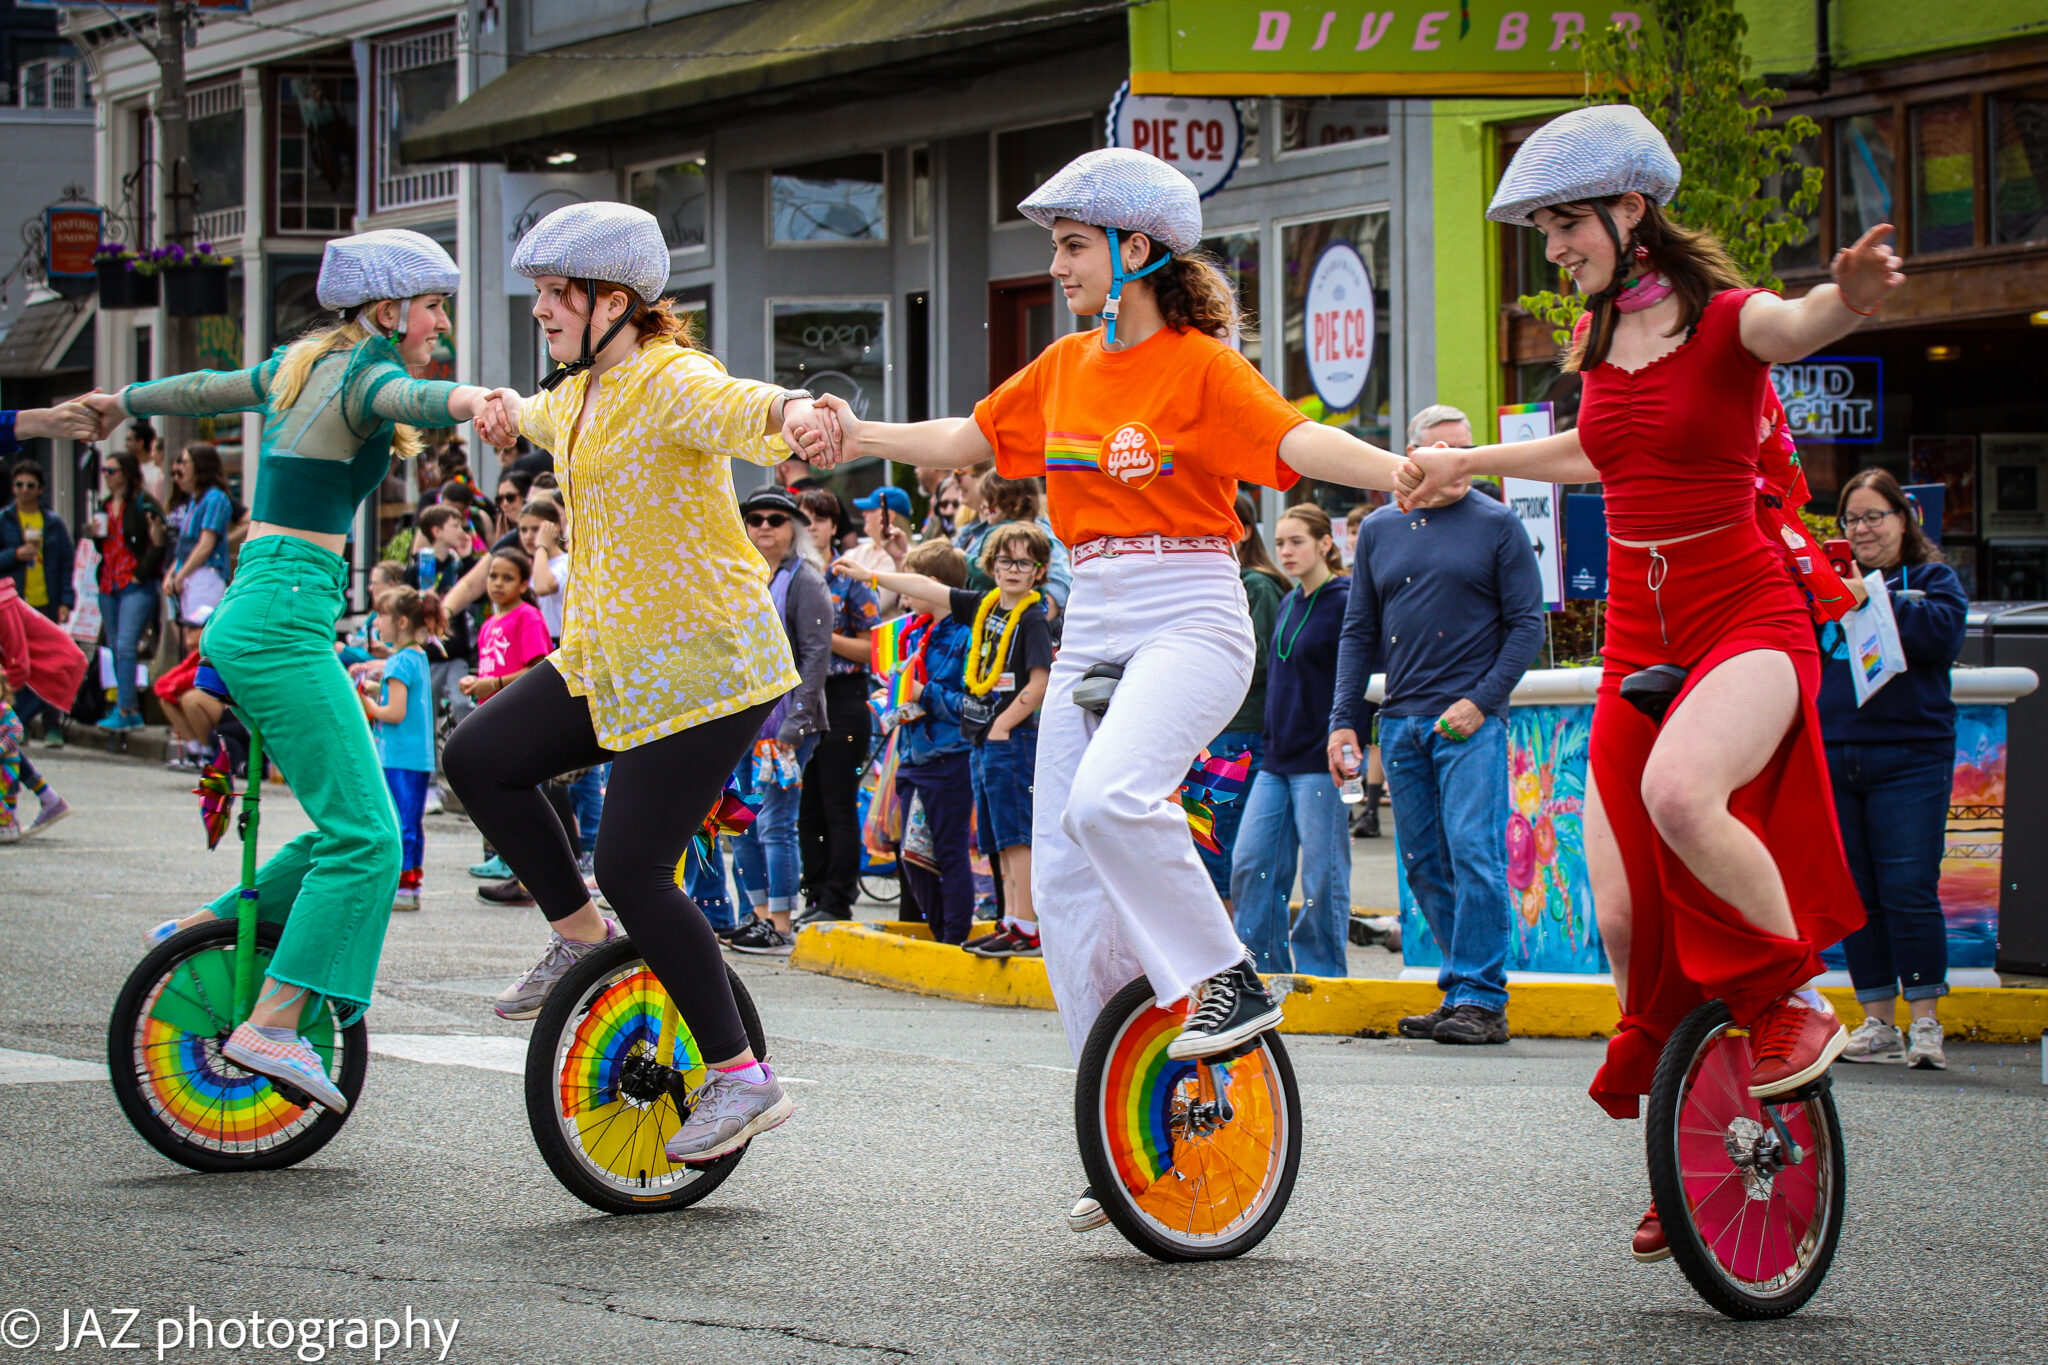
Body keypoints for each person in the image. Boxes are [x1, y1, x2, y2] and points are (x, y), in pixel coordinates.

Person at [804, 147, 1407, 1230]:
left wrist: (1394, 467)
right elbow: (967, 438)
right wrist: (856, 437)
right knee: (1071, 899)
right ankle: (1126, 1129)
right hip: (1099, 614)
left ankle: (1226, 976)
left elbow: (1291, 440)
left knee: (1107, 802)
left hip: (1190, 609)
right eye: (1054, 245)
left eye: (1074, 246)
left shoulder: (1200, 367)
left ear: (1136, 251)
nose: (1058, 264)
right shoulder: (1065, 364)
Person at [1400, 103, 1900, 1257]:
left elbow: (1795, 322)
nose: (1554, 246)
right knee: (1624, 919)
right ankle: (1691, 1155)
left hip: (1744, 614)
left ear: (1630, 212)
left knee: (1682, 795)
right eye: (1542, 229)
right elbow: (1596, 452)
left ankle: (1788, 1000)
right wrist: (1466, 459)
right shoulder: (1592, 343)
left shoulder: (1723, 324)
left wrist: (1852, 299)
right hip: (1636, 632)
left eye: (1565, 222)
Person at [449, 201, 838, 1161]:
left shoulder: (667, 377)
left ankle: (743, 1076)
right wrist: (491, 406)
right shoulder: (582, 391)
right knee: (479, 756)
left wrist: (791, 413)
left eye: (553, 295)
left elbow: (736, 402)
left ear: (612, 300)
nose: (539, 310)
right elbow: (529, 409)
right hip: (613, 660)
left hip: (709, 665)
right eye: (536, 293)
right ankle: (580, 933)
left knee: (634, 865)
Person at [90, 227, 504, 1112]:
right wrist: (482, 400)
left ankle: (201, 930)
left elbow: (200, 388)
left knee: (342, 825)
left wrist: (121, 398)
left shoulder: (296, 364)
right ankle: (275, 1021)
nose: (441, 324)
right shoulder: (362, 372)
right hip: (280, 621)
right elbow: (418, 397)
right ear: (390, 311)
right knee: (369, 837)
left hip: (266, 613)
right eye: (433, 307)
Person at [1334, 406, 1544, 1041]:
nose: (1457, 460)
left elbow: (1527, 626)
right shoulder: (1378, 530)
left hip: (1469, 723)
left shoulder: (1498, 524)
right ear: (1411, 456)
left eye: (1466, 448)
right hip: (1400, 722)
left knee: (1473, 853)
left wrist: (1481, 701)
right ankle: (1460, 987)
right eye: (1442, 449)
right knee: (1423, 861)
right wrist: (1345, 718)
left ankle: (1483, 998)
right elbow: (1359, 629)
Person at [844, 519, 1055, 956]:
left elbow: (1040, 681)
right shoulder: (984, 606)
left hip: (1008, 739)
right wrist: (871, 575)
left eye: (1024, 562)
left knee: (1017, 834)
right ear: (991, 566)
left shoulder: (1031, 617)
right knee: (997, 837)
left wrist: (1002, 725)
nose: (1013, 569)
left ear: (1038, 571)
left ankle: (1027, 923)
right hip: (981, 739)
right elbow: (926, 586)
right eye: (1005, 560)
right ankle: (1011, 918)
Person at [1821, 469, 1968, 1070]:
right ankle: (1878, 1019)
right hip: (1837, 753)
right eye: (1851, 519)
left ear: (1903, 520)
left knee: (1909, 889)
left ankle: (1926, 1021)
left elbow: (1943, 636)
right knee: (1857, 895)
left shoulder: (1932, 581)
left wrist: (1872, 601)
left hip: (1911, 755)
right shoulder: (1825, 585)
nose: (1862, 529)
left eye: (1873, 516)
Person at [1232, 504, 1354, 977]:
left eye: (1297, 541)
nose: (1286, 551)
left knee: (1322, 875)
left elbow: (1359, 674)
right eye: (1280, 542)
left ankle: (1324, 974)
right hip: (1276, 758)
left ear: (1326, 543)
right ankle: (1261, 974)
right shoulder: (1288, 601)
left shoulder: (1345, 599)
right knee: (1251, 864)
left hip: (1322, 759)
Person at [724, 486, 833, 955]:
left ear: (793, 528)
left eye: (775, 518)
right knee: (736, 821)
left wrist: (794, 728)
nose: (764, 526)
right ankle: (757, 914)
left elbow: (815, 658)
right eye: (755, 519)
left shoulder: (805, 581)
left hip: (785, 727)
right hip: (740, 724)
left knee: (776, 823)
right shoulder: (738, 577)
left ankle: (782, 924)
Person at [873, 538, 977, 943]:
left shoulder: (965, 636)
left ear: (930, 585)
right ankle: (939, 931)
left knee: (949, 852)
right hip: (913, 756)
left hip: (948, 758)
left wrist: (921, 694)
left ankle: (954, 936)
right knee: (913, 855)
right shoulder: (916, 633)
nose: (902, 596)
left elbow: (971, 704)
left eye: (909, 586)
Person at [1197, 492, 1289, 913]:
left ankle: (1229, 948)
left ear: (1244, 532)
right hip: (1217, 730)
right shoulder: (1222, 582)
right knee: (1207, 837)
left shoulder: (1255, 585)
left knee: (1221, 839)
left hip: (1241, 732)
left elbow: (1263, 659)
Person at [794, 486, 878, 928]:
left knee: (837, 801)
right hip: (800, 695)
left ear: (832, 526)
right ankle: (815, 888)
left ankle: (838, 896)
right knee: (805, 804)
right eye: (803, 519)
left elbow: (872, 649)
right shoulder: (786, 573)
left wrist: (819, 638)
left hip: (844, 694)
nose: (811, 528)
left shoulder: (849, 578)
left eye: (819, 519)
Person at [360, 587, 447, 912]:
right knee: (411, 820)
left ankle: (403, 887)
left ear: (400, 621)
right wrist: (375, 689)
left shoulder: (399, 661)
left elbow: (393, 713)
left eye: (381, 615)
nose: (377, 621)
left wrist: (366, 704)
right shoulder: (416, 656)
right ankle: (411, 884)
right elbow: (402, 699)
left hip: (398, 756)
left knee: (400, 821)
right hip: (416, 756)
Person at [0, 574, 83, 838]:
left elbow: (19, 665)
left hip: (50, 671)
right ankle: (48, 800)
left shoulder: (2, 605)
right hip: (35, 673)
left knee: (5, 737)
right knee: (6, 741)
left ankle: (9, 818)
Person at [92, 451, 168, 730]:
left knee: (126, 646)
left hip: (134, 583)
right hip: (108, 583)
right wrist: (94, 535)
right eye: (104, 471)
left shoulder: (142, 502)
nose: (107, 477)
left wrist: (141, 572)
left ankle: (128, 709)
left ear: (126, 473)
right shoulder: (104, 504)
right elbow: (105, 545)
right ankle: (124, 707)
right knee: (115, 648)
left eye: (111, 471)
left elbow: (160, 538)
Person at [3, 459, 77, 741]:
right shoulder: (4, 520)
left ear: (40, 489)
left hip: (46, 600)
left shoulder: (53, 524)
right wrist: (14, 555)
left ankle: (52, 724)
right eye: (18, 485)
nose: (23, 490)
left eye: (30, 485)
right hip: (14, 603)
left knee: (51, 665)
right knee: (17, 664)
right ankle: (17, 722)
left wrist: (66, 601)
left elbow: (66, 563)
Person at [963, 472, 1073, 615]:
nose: (984, 505)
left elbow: (1059, 584)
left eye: (990, 500)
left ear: (1014, 503)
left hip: (1014, 618)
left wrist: (961, 559)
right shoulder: (990, 529)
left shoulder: (1039, 533)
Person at [161, 444, 235, 656]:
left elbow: (205, 545)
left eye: (185, 463)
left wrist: (180, 574)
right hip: (188, 576)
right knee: (189, 641)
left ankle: (203, 688)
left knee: (199, 640)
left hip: (205, 576)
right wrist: (172, 574)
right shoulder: (195, 499)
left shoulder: (215, 498)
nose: (180, 468)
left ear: (199, 466)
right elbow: (185, 546)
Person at [841, 484, 913, 614]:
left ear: (888, 516)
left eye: (870, 509)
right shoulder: (859, 551)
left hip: (889, 634)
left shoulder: (909, 556)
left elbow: (874, 606)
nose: (864, 514)